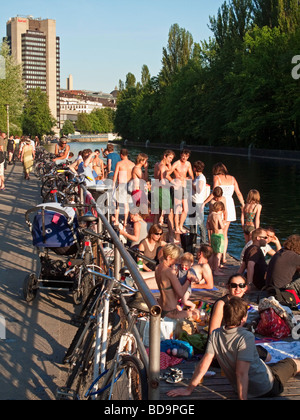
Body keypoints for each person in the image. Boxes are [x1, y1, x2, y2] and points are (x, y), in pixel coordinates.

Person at [168, 297, 300, 400]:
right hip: (265, 387)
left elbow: (203, 364)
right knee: (293, 363)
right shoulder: (246, 337)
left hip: (243, 385)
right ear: (243, 318)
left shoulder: (216, 334)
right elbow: (241, 373)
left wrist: (189, 389)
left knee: (271, 363)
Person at [206, 162, 245, 264]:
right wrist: (243, 204)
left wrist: (204, 202)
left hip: (220, 205)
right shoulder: (232, 178)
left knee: (217, 231)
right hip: (230, 205)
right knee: (225, 233)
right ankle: (223, 257)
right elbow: (239, 193)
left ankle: (216, 255)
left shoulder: (216, 178)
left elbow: (214, 193)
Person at [155, 244, 198, 320]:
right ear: (168, 257)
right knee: (196, 314)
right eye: (176, 259)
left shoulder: (158, 267)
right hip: (170, 311)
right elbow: (181, 293)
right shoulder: (169, 272)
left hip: (161, 306)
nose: (177, 261)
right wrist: (188, 280)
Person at [153, 150, 176, 239]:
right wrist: (172, 185)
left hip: (156, 189)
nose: (171, 160)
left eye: (172, 158)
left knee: (156, 213)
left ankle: (154, 234)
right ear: (164, 156)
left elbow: (158, 176)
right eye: (169, 158)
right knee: (169, 213)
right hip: (163, 191)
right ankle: (171, 236)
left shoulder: (156, 164)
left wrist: (169, 167)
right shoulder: (162, 167)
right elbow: (163, 181)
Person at [171, 149, 194, 234]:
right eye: (183, 156)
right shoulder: (176, 163)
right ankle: (176, 227)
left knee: (186, 209)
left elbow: (191, 175)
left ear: (188, 157)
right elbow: (168, 173)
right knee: (177, 208)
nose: (184, 157)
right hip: (177, 187)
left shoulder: (188, 164)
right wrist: (173, 181)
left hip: (185, 187)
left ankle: (181, 225)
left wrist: (187, 178)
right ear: (180, 155)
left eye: (186, 156)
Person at [112, 149, 135, 225]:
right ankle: (125, 221)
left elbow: (115, 176)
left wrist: (113, 186)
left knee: (117, 204)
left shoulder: (119, 163)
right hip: (129, 185)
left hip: (121, 185)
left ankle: (116, 220)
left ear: (121, 155)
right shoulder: (132, 164)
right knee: (126, 204)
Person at [189, 160, 207, 244]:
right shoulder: (196, 177)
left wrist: (190, 183)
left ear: (195, 168)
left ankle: (203, 242)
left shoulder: (201, 178)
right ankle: (192, 240)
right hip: (192, 201)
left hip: (198, 202)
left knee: (200, 223)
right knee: (192, 223)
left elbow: (199, 190)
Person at [207, 201, 226, 275]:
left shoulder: (210, 215)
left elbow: (208, 227)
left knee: (213, 253)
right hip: (219, 236)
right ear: (220, 209)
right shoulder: (217, 216)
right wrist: (224, 223)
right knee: (218, 253)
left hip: (213, 235)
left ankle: (211, 268)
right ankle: (216, 270)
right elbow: (222, 226)